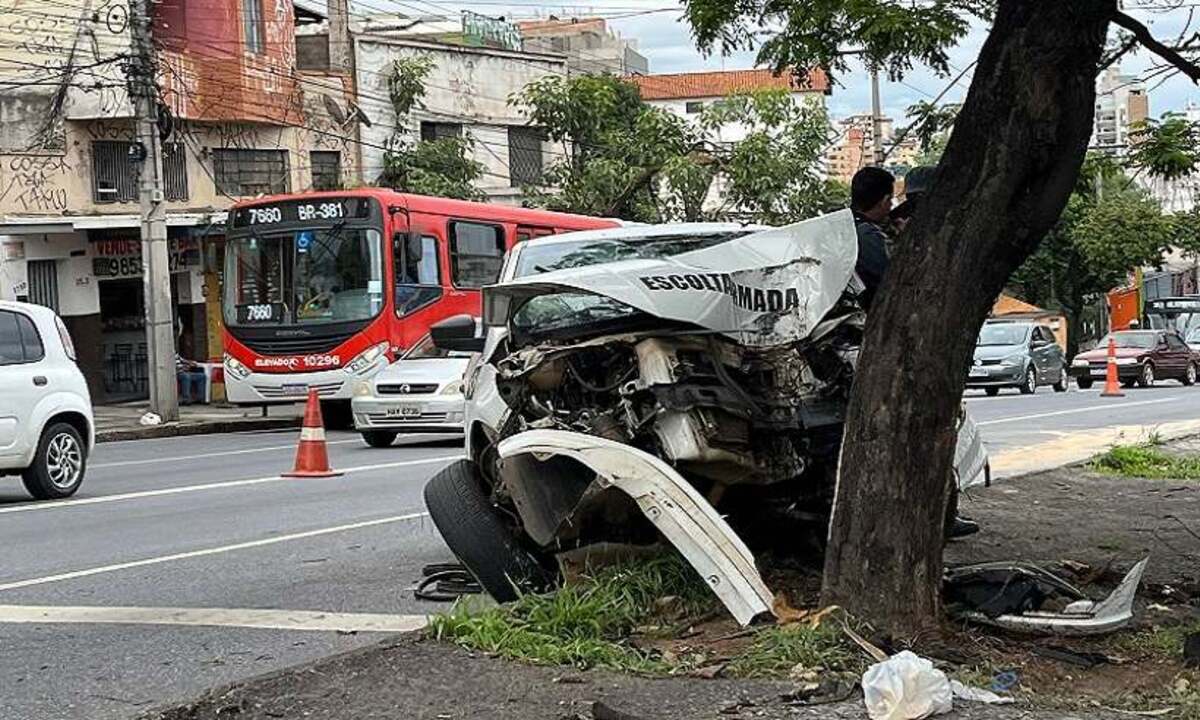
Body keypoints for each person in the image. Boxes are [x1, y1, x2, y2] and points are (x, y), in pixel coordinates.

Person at [850, 166, 895, 309]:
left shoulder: (845, 226)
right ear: (884, 200)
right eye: (890, 200)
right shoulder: (867, 235)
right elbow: (895, 273)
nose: (891, 205)